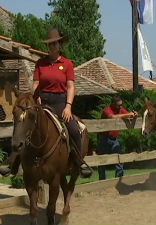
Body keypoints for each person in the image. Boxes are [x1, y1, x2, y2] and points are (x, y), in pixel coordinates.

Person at [0, 28, 92, 177]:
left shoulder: (67, 64)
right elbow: (36, 84)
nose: (52, 46)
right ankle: (13, 163)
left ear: (59, 44)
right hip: (42, 101)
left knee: (73, 128)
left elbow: (70, 86)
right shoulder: (40, 64)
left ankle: (79, 162)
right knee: (24, 125)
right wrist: (37, 97)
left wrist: (68, 106)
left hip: (61, 102)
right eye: (50, 44)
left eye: (55, 43)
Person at [97, 96, 138, 180]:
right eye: (118, 105)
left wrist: (134, 115)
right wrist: (128, 114)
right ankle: (102, 182)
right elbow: (112, 117)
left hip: (114, 139)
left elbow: (129, 115)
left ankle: (118, 179)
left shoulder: (120, 110)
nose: (121, 107)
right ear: (112, 104)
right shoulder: (107, 110)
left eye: (121, 105)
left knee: (120, 158)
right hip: (104, 138)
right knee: (102, 161)